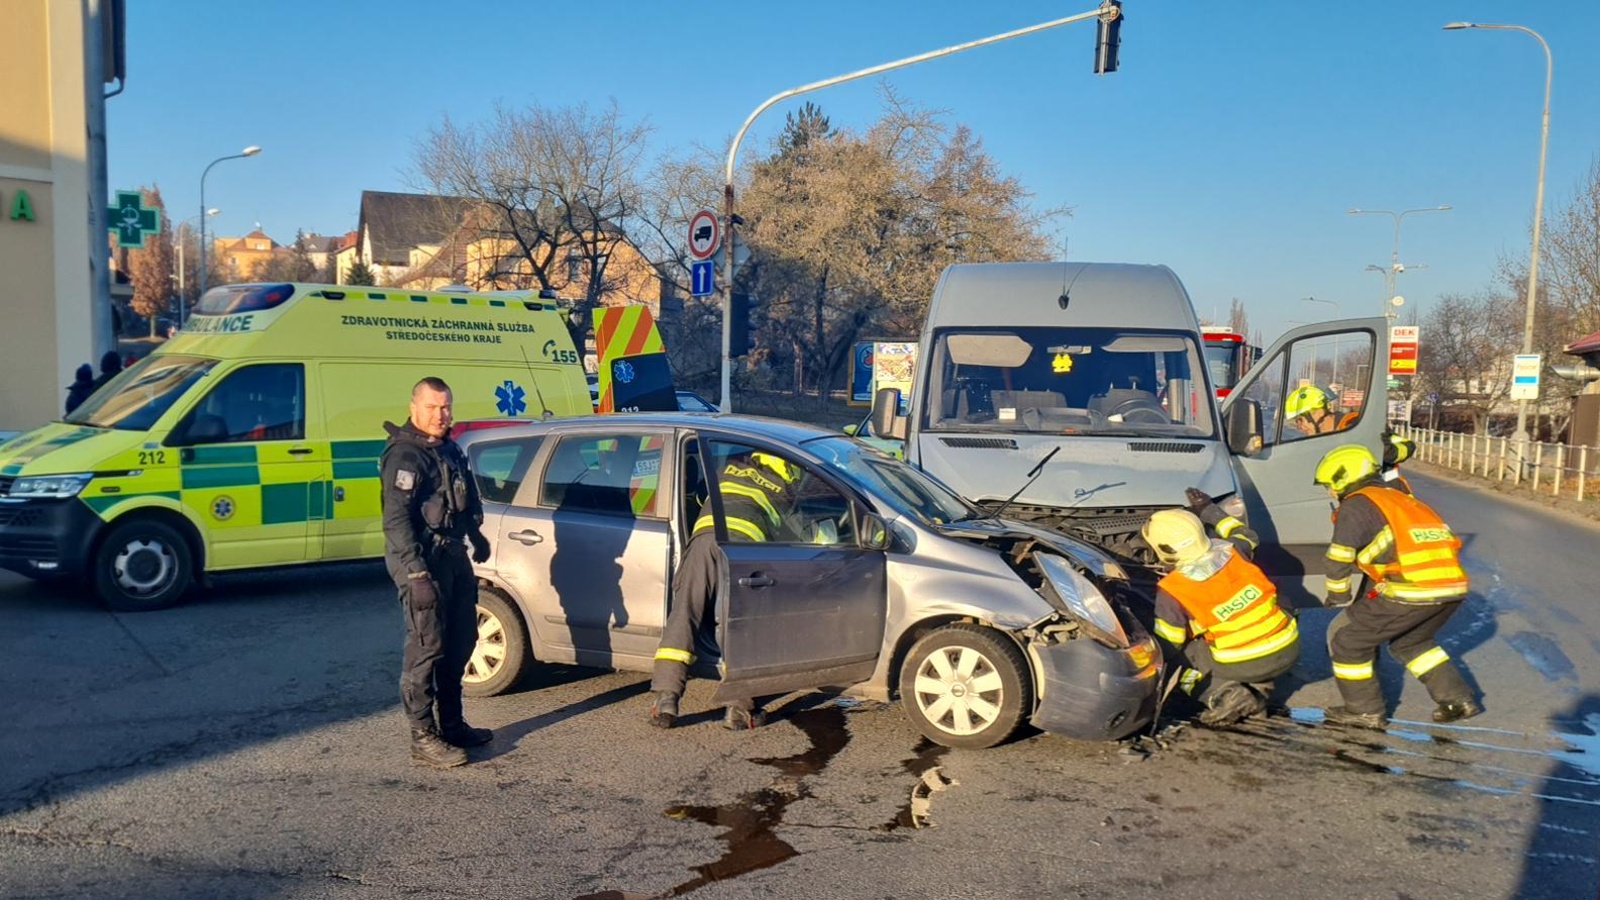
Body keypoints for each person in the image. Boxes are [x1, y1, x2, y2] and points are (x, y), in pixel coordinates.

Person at [1314, 443, 1481, 729]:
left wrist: (1337, 594)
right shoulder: (1401, 498)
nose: (1330, 492)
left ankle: (1363, 711)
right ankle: (1457, 699)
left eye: (1330, 485)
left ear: (1343, 478)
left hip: (1412, 589)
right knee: (1411, 643)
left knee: (1347, 639)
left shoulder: (1356, 504)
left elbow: (1338, 557)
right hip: (1452, 587)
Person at [380, 376, 494, 768]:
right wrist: (415, 573)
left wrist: (475, 535)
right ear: (414, 407)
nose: (439, 414)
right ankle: (423, 736)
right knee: (427, 648)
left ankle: (452, 723)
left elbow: (463, 497)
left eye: (445, 406)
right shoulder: (405, 456)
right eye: (431, 407)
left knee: (463, 639)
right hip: (421, 562)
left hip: (453, 555)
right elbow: (396, 522)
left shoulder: (448, 449)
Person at [649, 450, 803, 731]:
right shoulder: (784, 482)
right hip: (741, 550)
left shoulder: (734, 462)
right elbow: (791, 532)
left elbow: (699, 496)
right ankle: (739, 710)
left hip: (704, 541)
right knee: (741, 627)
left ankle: (666, 699)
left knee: (684, 613)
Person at [1144, 494, 1300, 727]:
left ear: (1164, 549)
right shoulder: (1235, 550)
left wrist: (1142, 654)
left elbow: (1170, 643)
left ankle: (1226, 696)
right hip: (1289, 647)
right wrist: (1208, 509)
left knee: (1182, 659)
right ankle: (1260, 686)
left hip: (1246, 661)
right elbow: (1248, 534)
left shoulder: (1173, 589)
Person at [1285, 385, 1354, 436]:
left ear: (1318, 412)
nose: (1299, 427)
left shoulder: (1351, 431)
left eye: (1300, 420)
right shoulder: (1329, 438)